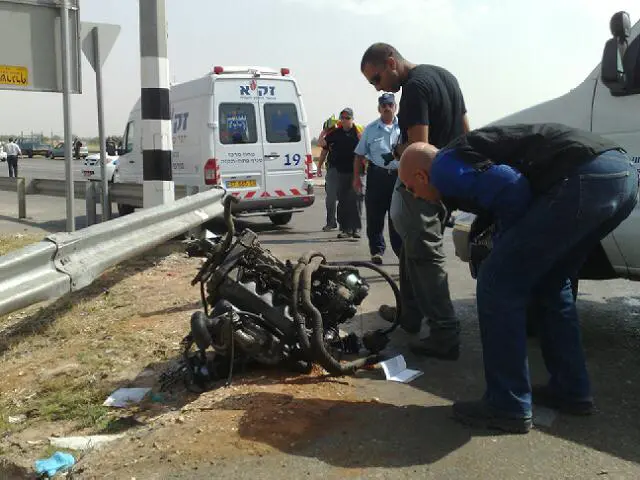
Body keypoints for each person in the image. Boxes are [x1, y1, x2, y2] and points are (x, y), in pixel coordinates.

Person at [398, 123, 639, 434]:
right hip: (621, 177)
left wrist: (505, 245)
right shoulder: (466, 153)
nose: (419, 197)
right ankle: (571, 389)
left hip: (583, 178)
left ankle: (507, 404)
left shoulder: (443, 166)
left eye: (413, 190)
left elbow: (512, 188)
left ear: (420, 176)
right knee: (553, 284)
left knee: (497, 282)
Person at [360, 42, 468, 359]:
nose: (377, 87)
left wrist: (398, 150)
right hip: (445, 179)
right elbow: (465, 132)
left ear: (391, 62)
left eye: (376, 79)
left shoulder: (415, 89)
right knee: (410, 250)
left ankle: (444, 333)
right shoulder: (445, 76)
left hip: (422, 185)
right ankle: (409, 314)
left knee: (424, 256)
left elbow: (418, 150)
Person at [353, 93, 402, 264]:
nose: (387, 108)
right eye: (384, 105)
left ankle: (400, 253)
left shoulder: (404, 127)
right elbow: (359, 155)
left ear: (395, 107)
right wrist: (357, 178)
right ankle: (377, 251)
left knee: (397, 216)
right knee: (375, 216)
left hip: (399, 178)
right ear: (379, 108)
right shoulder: (371, 129)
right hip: (376, 176)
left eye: (390, 105)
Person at [317, 108, 363, 239]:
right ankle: (345, 229)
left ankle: (355, 229)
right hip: (340, 171)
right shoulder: (335, 133)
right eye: (342, 118)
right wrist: (325, 131)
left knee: (356, 200)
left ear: (352, 119)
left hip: (355, 171)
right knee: (342, 201)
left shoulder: (358, 133)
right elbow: (322, 144)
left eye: (347, 118)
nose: (344, 120)